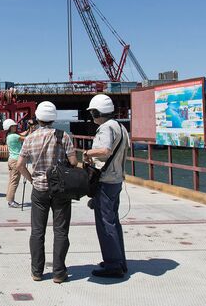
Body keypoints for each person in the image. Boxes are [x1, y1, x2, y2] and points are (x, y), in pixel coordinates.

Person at [17, 101, 77, 283]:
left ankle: (37, 272)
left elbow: (19, 165)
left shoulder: (30, 138)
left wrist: (32, 178)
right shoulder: (63, 136)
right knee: (60, 231)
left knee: (37, 231)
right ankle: (59, 273)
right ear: (53, 118)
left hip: (39, 190)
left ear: (37, 117)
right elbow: (73, 162)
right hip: (60, 190)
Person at [83, 94, 130, 278]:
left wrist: (87, 152)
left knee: (105, 223)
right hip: (117, 179)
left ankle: (112, 265)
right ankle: (119, 260)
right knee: (114, 222)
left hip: (106, 180)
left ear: (96, 112)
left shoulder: (105, 128)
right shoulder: (120, 127)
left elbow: (105, 150)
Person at [3, 119, 28, 208]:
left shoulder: (9, 136)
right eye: (13, 126)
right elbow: (26, 138)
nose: (15, 127)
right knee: (14, 182)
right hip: (16, 160)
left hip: (11, 160)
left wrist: (29, 130)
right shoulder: (14, 136)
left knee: (11, 181)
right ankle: (11, 201)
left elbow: (23, 134)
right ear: (10, 127)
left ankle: (9, 199)